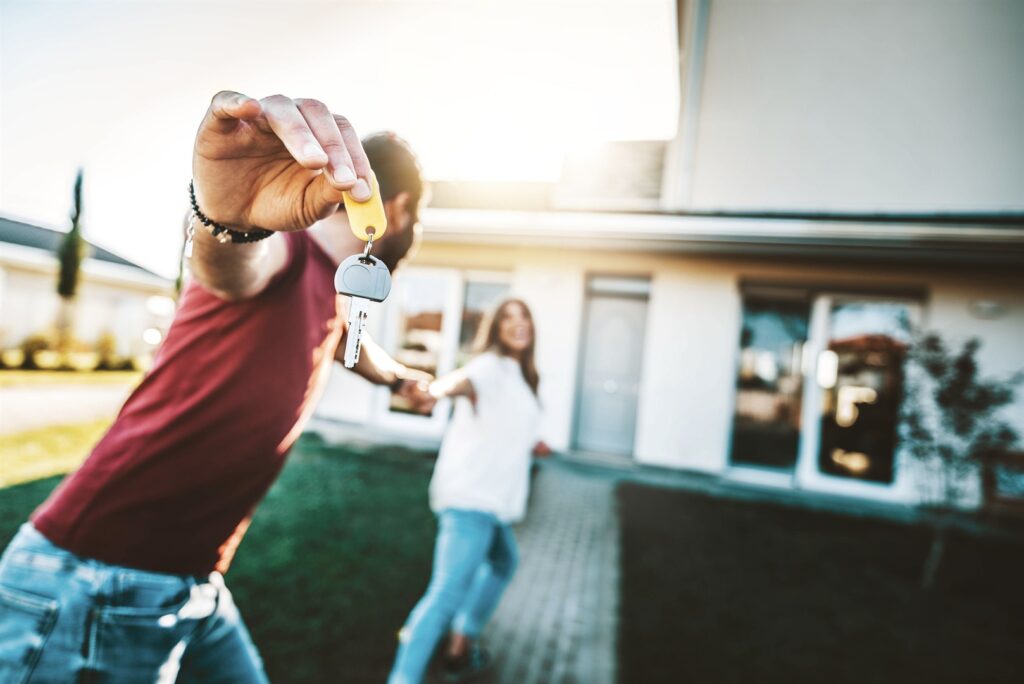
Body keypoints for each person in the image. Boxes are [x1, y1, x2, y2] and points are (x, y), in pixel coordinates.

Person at [0, 91, 432, 683]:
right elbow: (230, 264)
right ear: (400, 207)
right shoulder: (281, 249)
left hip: (195, 581)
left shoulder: (332, 294)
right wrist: (225, 219)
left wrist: (398, 378)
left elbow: (345, 347)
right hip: (97, 576)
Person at [389, 299, 550, 684]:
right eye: (508, 318)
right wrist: (434, 392)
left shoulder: (520, 375)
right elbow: (462, 382)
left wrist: (535, 443)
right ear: (496, 329)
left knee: (503, 563)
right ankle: (403, 677)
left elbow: (509, 422)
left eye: (524, 316)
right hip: (471, 499)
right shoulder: (489, 366)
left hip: (491, 501)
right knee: (444, 594)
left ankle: (460, 645)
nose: (519, 324)